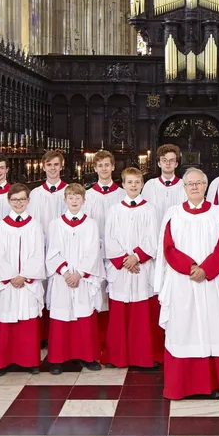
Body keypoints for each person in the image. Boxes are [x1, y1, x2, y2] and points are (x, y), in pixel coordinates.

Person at [155, 168, 219, 399]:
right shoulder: (173, 214)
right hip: (181, 283)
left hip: (210, 283)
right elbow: (168, 246)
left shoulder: (218, 213)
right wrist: (190, 267)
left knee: (210, 329)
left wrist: (206, 270)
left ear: (205, 186)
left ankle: (212, 385)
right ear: (183, 188)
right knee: (183, 330)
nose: (194, 187)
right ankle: (179, 387)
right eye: (189, 184)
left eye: (198, 183)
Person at [103, 167, 162, 367]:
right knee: (119, 314)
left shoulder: (150, 209)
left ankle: (143, 356)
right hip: (121, 270)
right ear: (123, 184)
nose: (134, 186)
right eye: (130, 182)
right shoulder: (114, 209)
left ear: (142, 184)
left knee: (142, 314)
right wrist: (124, 260)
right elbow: (109, 239)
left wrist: (136, 257)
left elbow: (153, 239)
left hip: (141, 268)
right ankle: (117, 356)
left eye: (137, 182)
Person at [0, 183, 45, 376]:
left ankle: (30, 361)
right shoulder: (1, 226)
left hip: (27, 282)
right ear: (8, 201)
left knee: (27, 322)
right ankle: (1, 363)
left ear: (28, 201)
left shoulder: (35, 225)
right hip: (7, 282)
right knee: (5, 320)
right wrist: (12, 276)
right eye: (14, 199)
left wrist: (25, 276)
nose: (18, 203)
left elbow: (38, 253)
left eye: (22, 199)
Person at [46, 183, 104, 374]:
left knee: (83, 316)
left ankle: (87, 356)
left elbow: (93, 251)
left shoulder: (91, 224)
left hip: (82, 278)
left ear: (83, 201)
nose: (74, 201)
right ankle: (57, 359)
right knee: (61, 317)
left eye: (77, 198)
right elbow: (52, 250)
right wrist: (65, 272)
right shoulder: (55, 224)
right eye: (70, 198)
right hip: (63, 278)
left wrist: (79, 273)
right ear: (65, 200)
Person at [84, 149, 124, 347]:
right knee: (97, 292)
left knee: (116, 293)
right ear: (95, 168)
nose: (104, 168)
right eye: (100, 165)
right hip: (97, 251)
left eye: (107, 165)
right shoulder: (88, 196)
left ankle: (115, 338)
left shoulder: (123, 193)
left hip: (119, 253)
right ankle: (98, 339)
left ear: (113, 167)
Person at [141, 144, 187, 223]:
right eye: (164, 160)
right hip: (155, 229)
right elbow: (143, 211)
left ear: (176, 164)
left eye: (171, 160)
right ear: (159, 163)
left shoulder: (184, 185)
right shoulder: (150, 185)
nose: (168, 163)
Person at [28, 149, 68, 236]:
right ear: (43, 167)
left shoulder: (69, 191)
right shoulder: (36, 194)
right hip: (41, 241)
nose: (53, 168)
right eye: (49, 165)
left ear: (61, 167)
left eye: (56, 164)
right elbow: (32, 223)